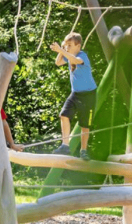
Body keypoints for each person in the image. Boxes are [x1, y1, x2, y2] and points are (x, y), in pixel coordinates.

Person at [50, 32, 97, 160]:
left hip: (88, 95)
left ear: (78, 46)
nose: (67, 47)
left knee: (85, 125)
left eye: (70, 45)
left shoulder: (82, 56)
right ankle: (65, 146)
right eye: (66, 45)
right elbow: (58, 62)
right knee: (64, 115)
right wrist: (62, 49)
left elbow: (75, 60)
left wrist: (61, 50)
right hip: (75, 94)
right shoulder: (68, 55)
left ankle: (83, 151)